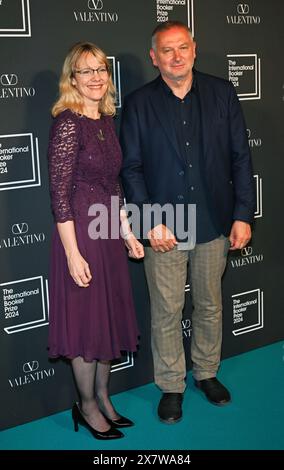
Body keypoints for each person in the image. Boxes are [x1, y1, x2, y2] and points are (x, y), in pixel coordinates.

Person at [120, 21, 255, 424]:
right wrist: (149, 221)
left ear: (194, 49)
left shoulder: (222, 93)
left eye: (182, 47)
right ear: (154, 57)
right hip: (164, 226)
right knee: (166, 310)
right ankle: (171, 385)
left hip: (214, 220)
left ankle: (207, 372)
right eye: (167, 50)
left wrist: (242, 215)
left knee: (210, 304)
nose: (176, 56)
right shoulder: (139, 103)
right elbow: (131, 168)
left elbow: (240, 158)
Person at [48, 41, 144, 440]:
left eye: (101, 69)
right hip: (81, 237)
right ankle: (85, 406)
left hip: (106, 231)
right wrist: (72, 254)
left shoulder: (105, 119)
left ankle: (103, 397)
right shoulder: (68, 122)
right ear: (72, 78)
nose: (96, 78)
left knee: (107, 321)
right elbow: (59, 194)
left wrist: (127, 233)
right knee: (87, 326)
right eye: (86, 71)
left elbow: (114, 185)